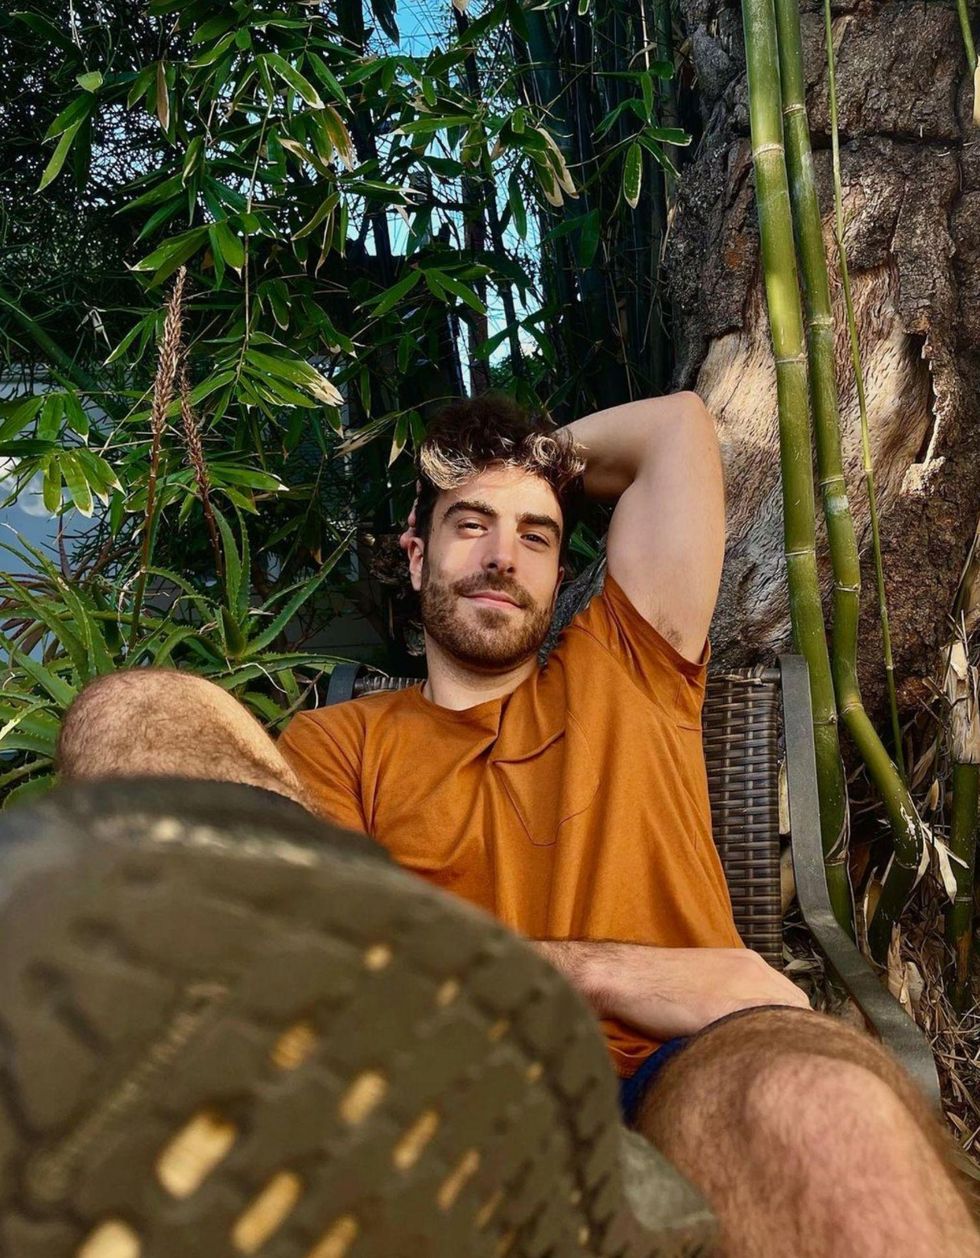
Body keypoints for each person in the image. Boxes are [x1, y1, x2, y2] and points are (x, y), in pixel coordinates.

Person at [49, 392, 979, 1257]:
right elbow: (301, 952)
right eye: (470, 524)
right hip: (435, 1078)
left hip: (679, 1060)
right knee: (135, 707)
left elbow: (677, 430)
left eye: (536, 537)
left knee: (823, 1106)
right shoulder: (340, 744)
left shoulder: (632, 664)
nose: (503, 556)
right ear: (416, 554)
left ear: (559, 572)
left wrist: (527, 457)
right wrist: (608, 971)